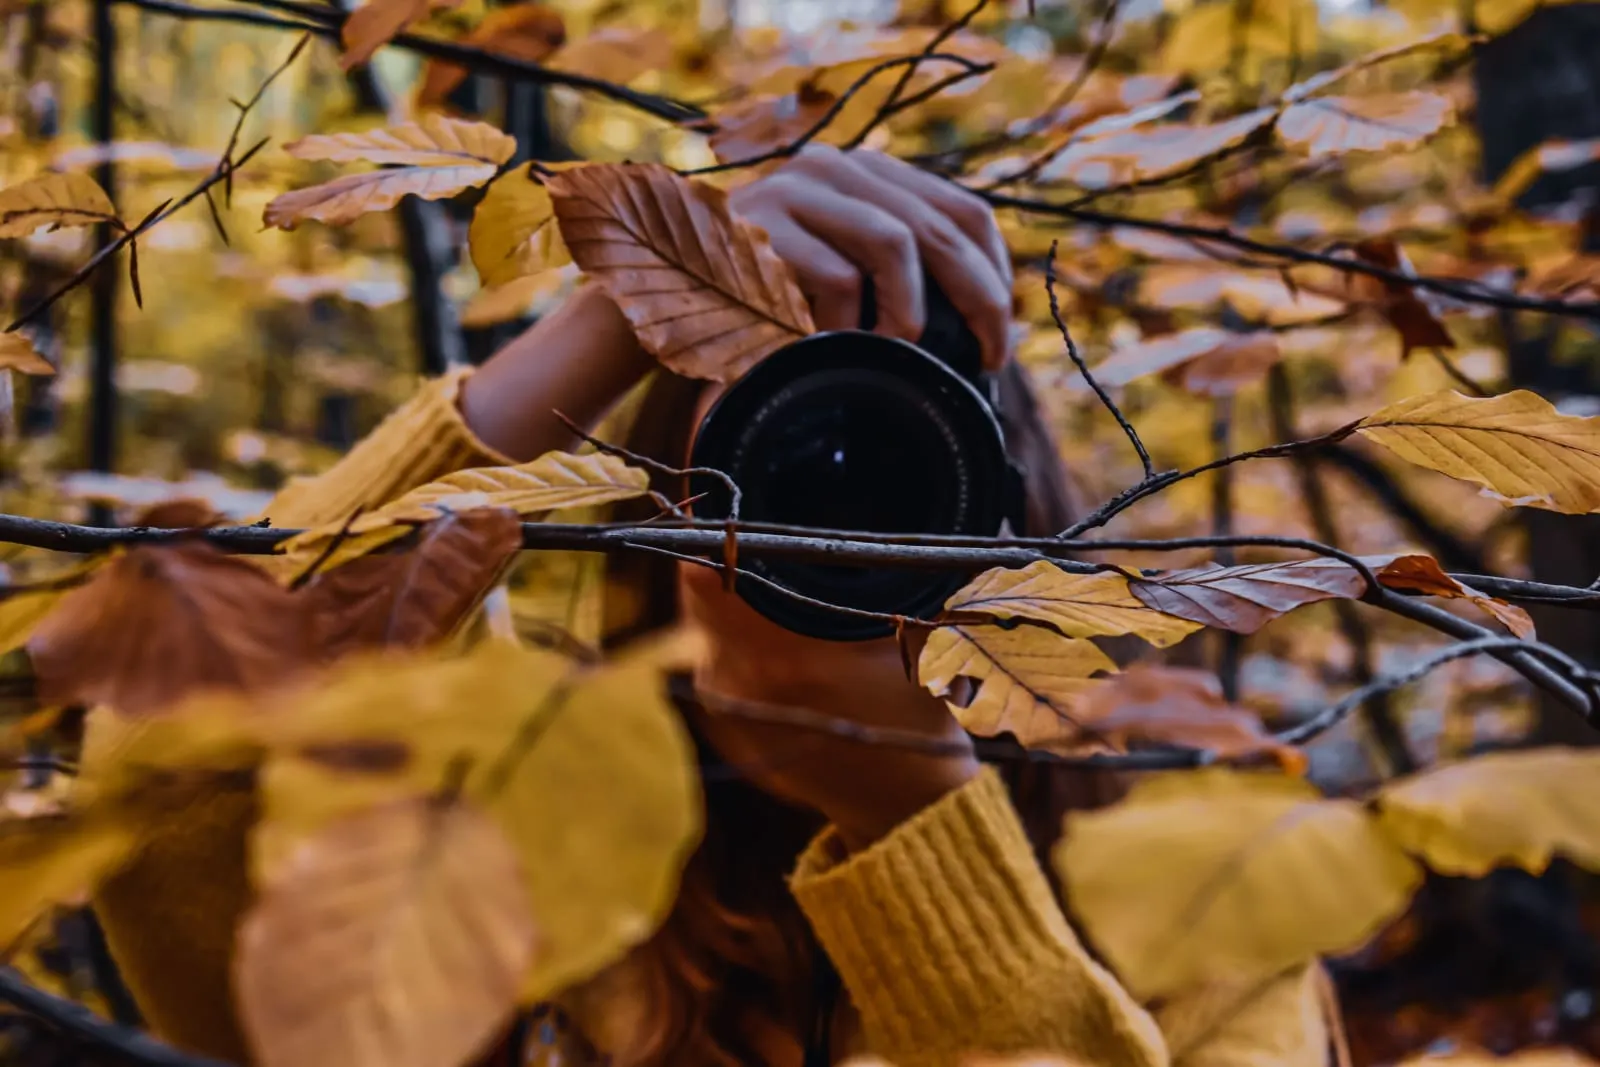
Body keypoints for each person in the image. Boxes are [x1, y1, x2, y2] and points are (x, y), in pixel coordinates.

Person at [88, 146, 1331, 1067]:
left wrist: (913, 812)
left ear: (1010, 528)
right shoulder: (543, 841)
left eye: (904, 473)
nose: (832, 526)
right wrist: (621, 310)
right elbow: (167, 790)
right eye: (769, 466)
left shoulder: (1211, 894)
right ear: (661, 513)